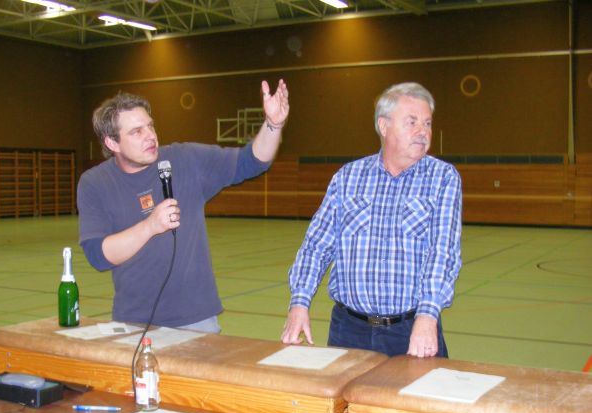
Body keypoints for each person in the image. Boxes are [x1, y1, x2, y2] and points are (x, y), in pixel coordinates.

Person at [78, 80, 289, 333]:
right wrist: (150, 226)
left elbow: (251, 161)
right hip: (134, 321)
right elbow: (98, 256)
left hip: (196, 320)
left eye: (150, 126)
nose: (150, 136)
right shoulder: (95, 183)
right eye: (136, 132)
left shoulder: (186, 159)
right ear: (112, 143)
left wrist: (273, 124)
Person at [281, 82, 461, 357]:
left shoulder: (443, 178)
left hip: (412, 328)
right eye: (412, 122)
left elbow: (443, 252)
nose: (423, 132)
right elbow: (316, 245)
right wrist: (299, 302)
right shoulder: (348, 177)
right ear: (384, 126)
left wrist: (427, 316)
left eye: (427, 123)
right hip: (348, 331)